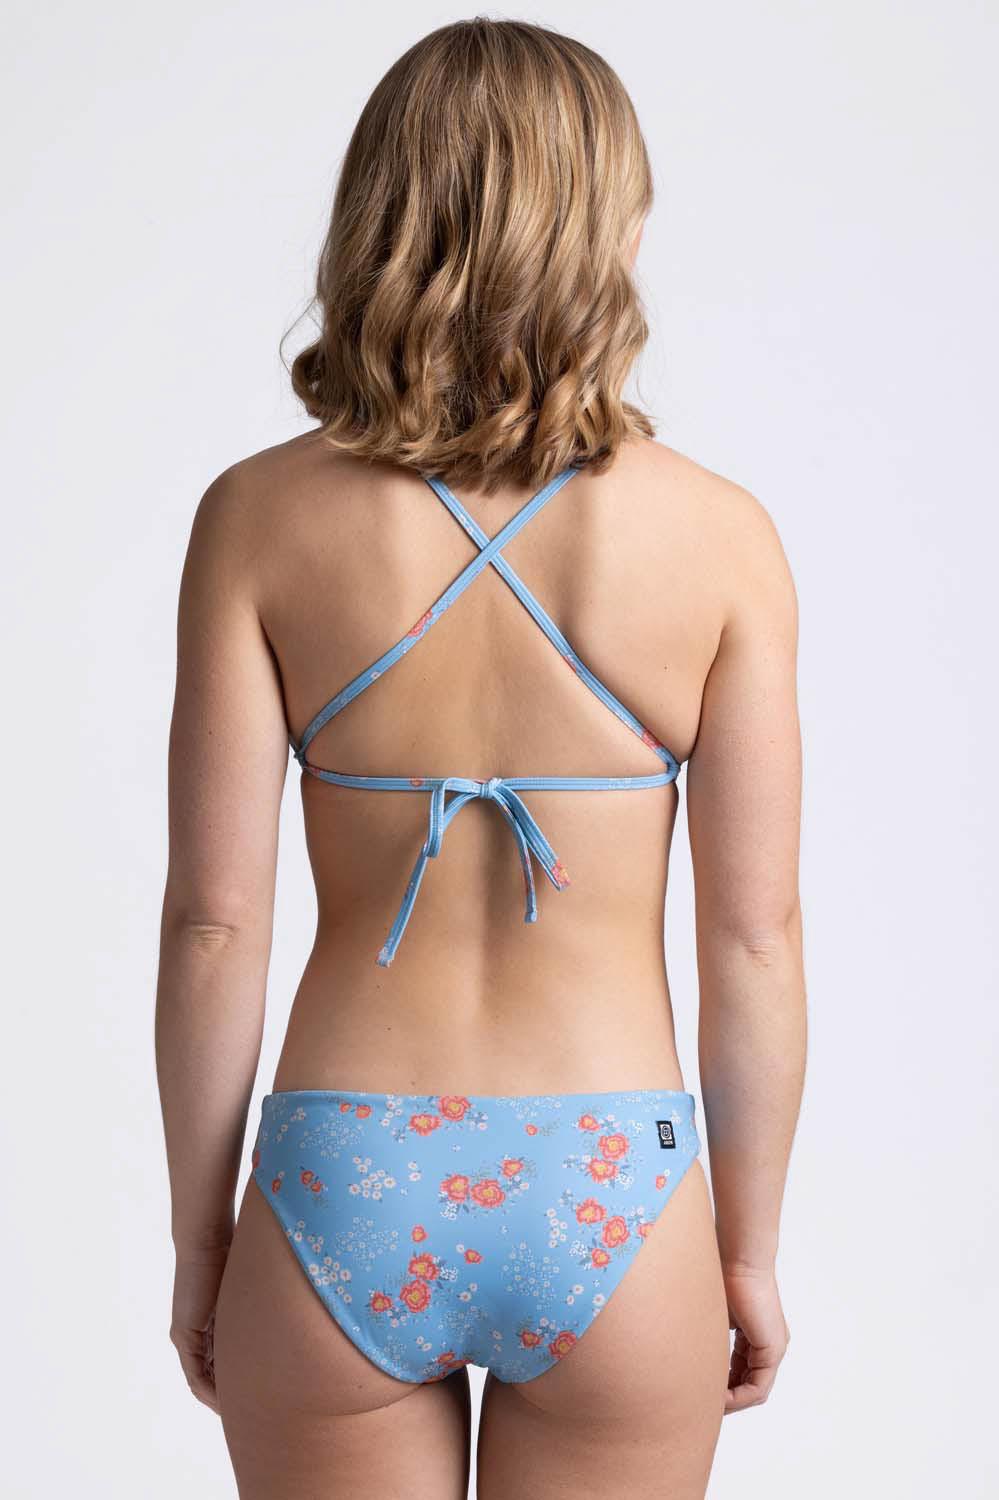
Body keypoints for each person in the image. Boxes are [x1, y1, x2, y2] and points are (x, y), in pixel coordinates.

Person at [155, 17, 805, 1499]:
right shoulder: (721, 537)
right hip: (613, 1183)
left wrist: (203, 1242)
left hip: (339, 1180)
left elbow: (213, 924)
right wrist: (749, 1252)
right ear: (606, 225)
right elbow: (755, 940)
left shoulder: (255, 518)